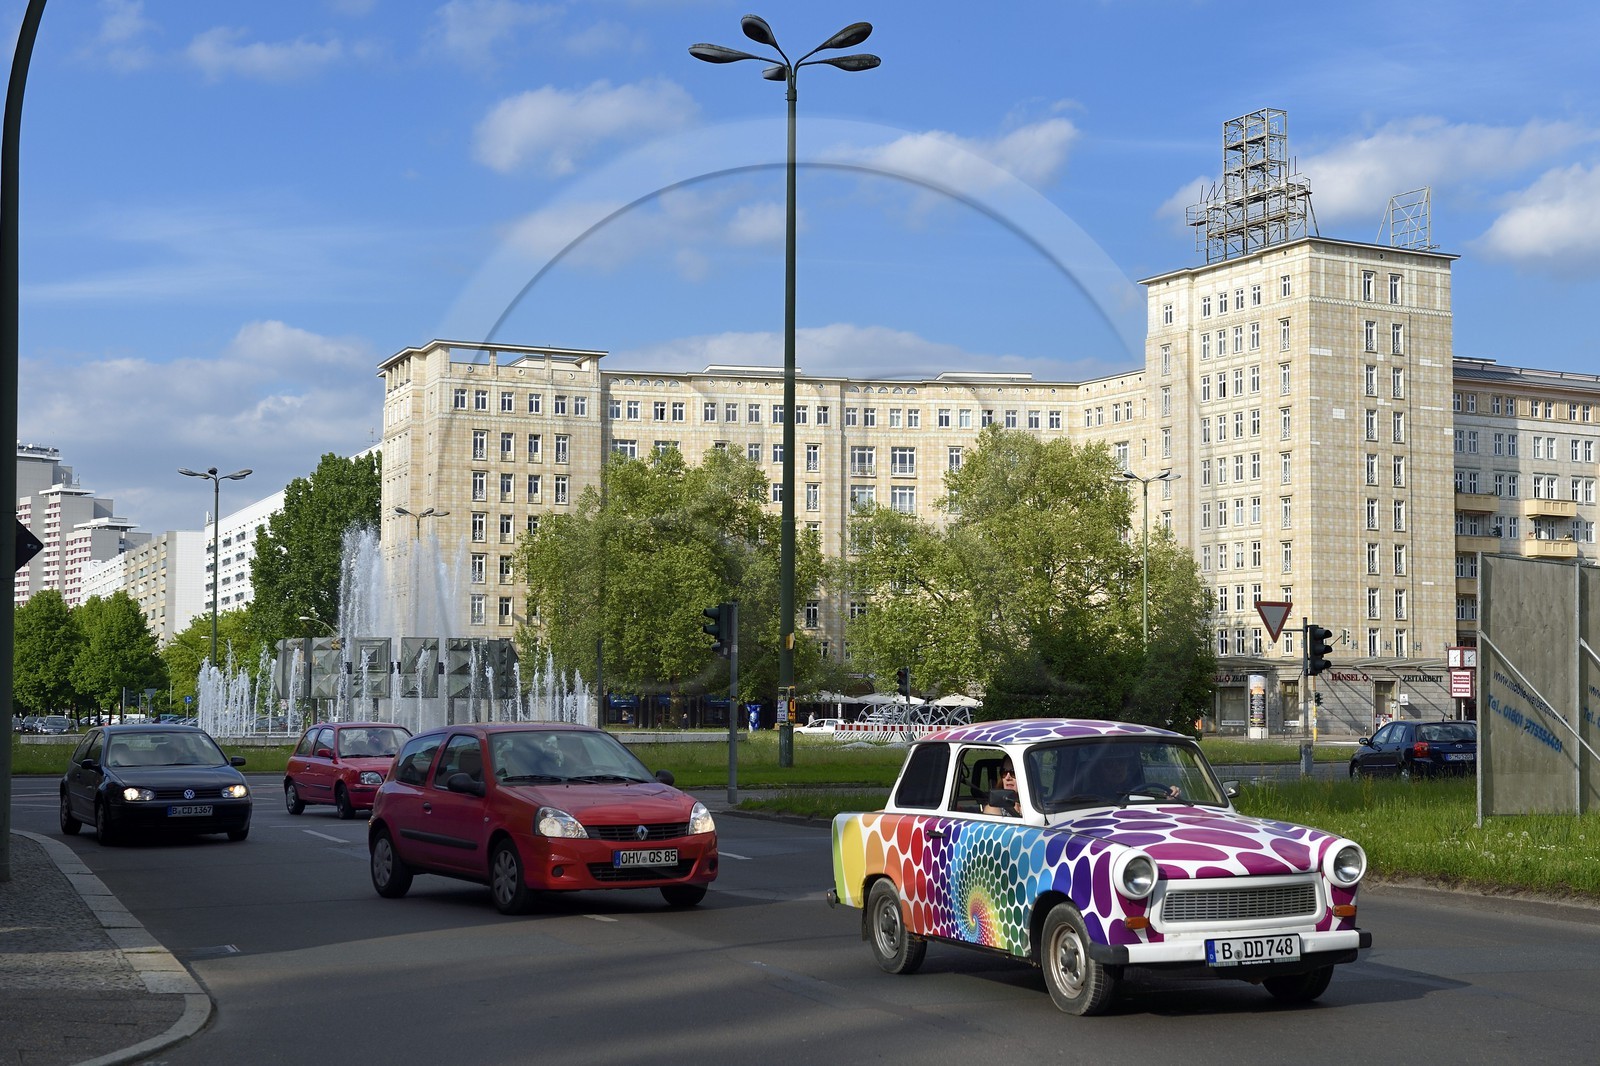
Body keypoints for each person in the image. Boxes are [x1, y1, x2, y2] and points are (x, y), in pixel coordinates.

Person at [1087, 750, 1179, 800]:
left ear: (1128, 765)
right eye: (1109, 764)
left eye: (1121, 762)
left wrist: (1170, 795)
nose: (1117, 768)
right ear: (1100, 769)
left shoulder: (1142, 789)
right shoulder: (1088, 797)